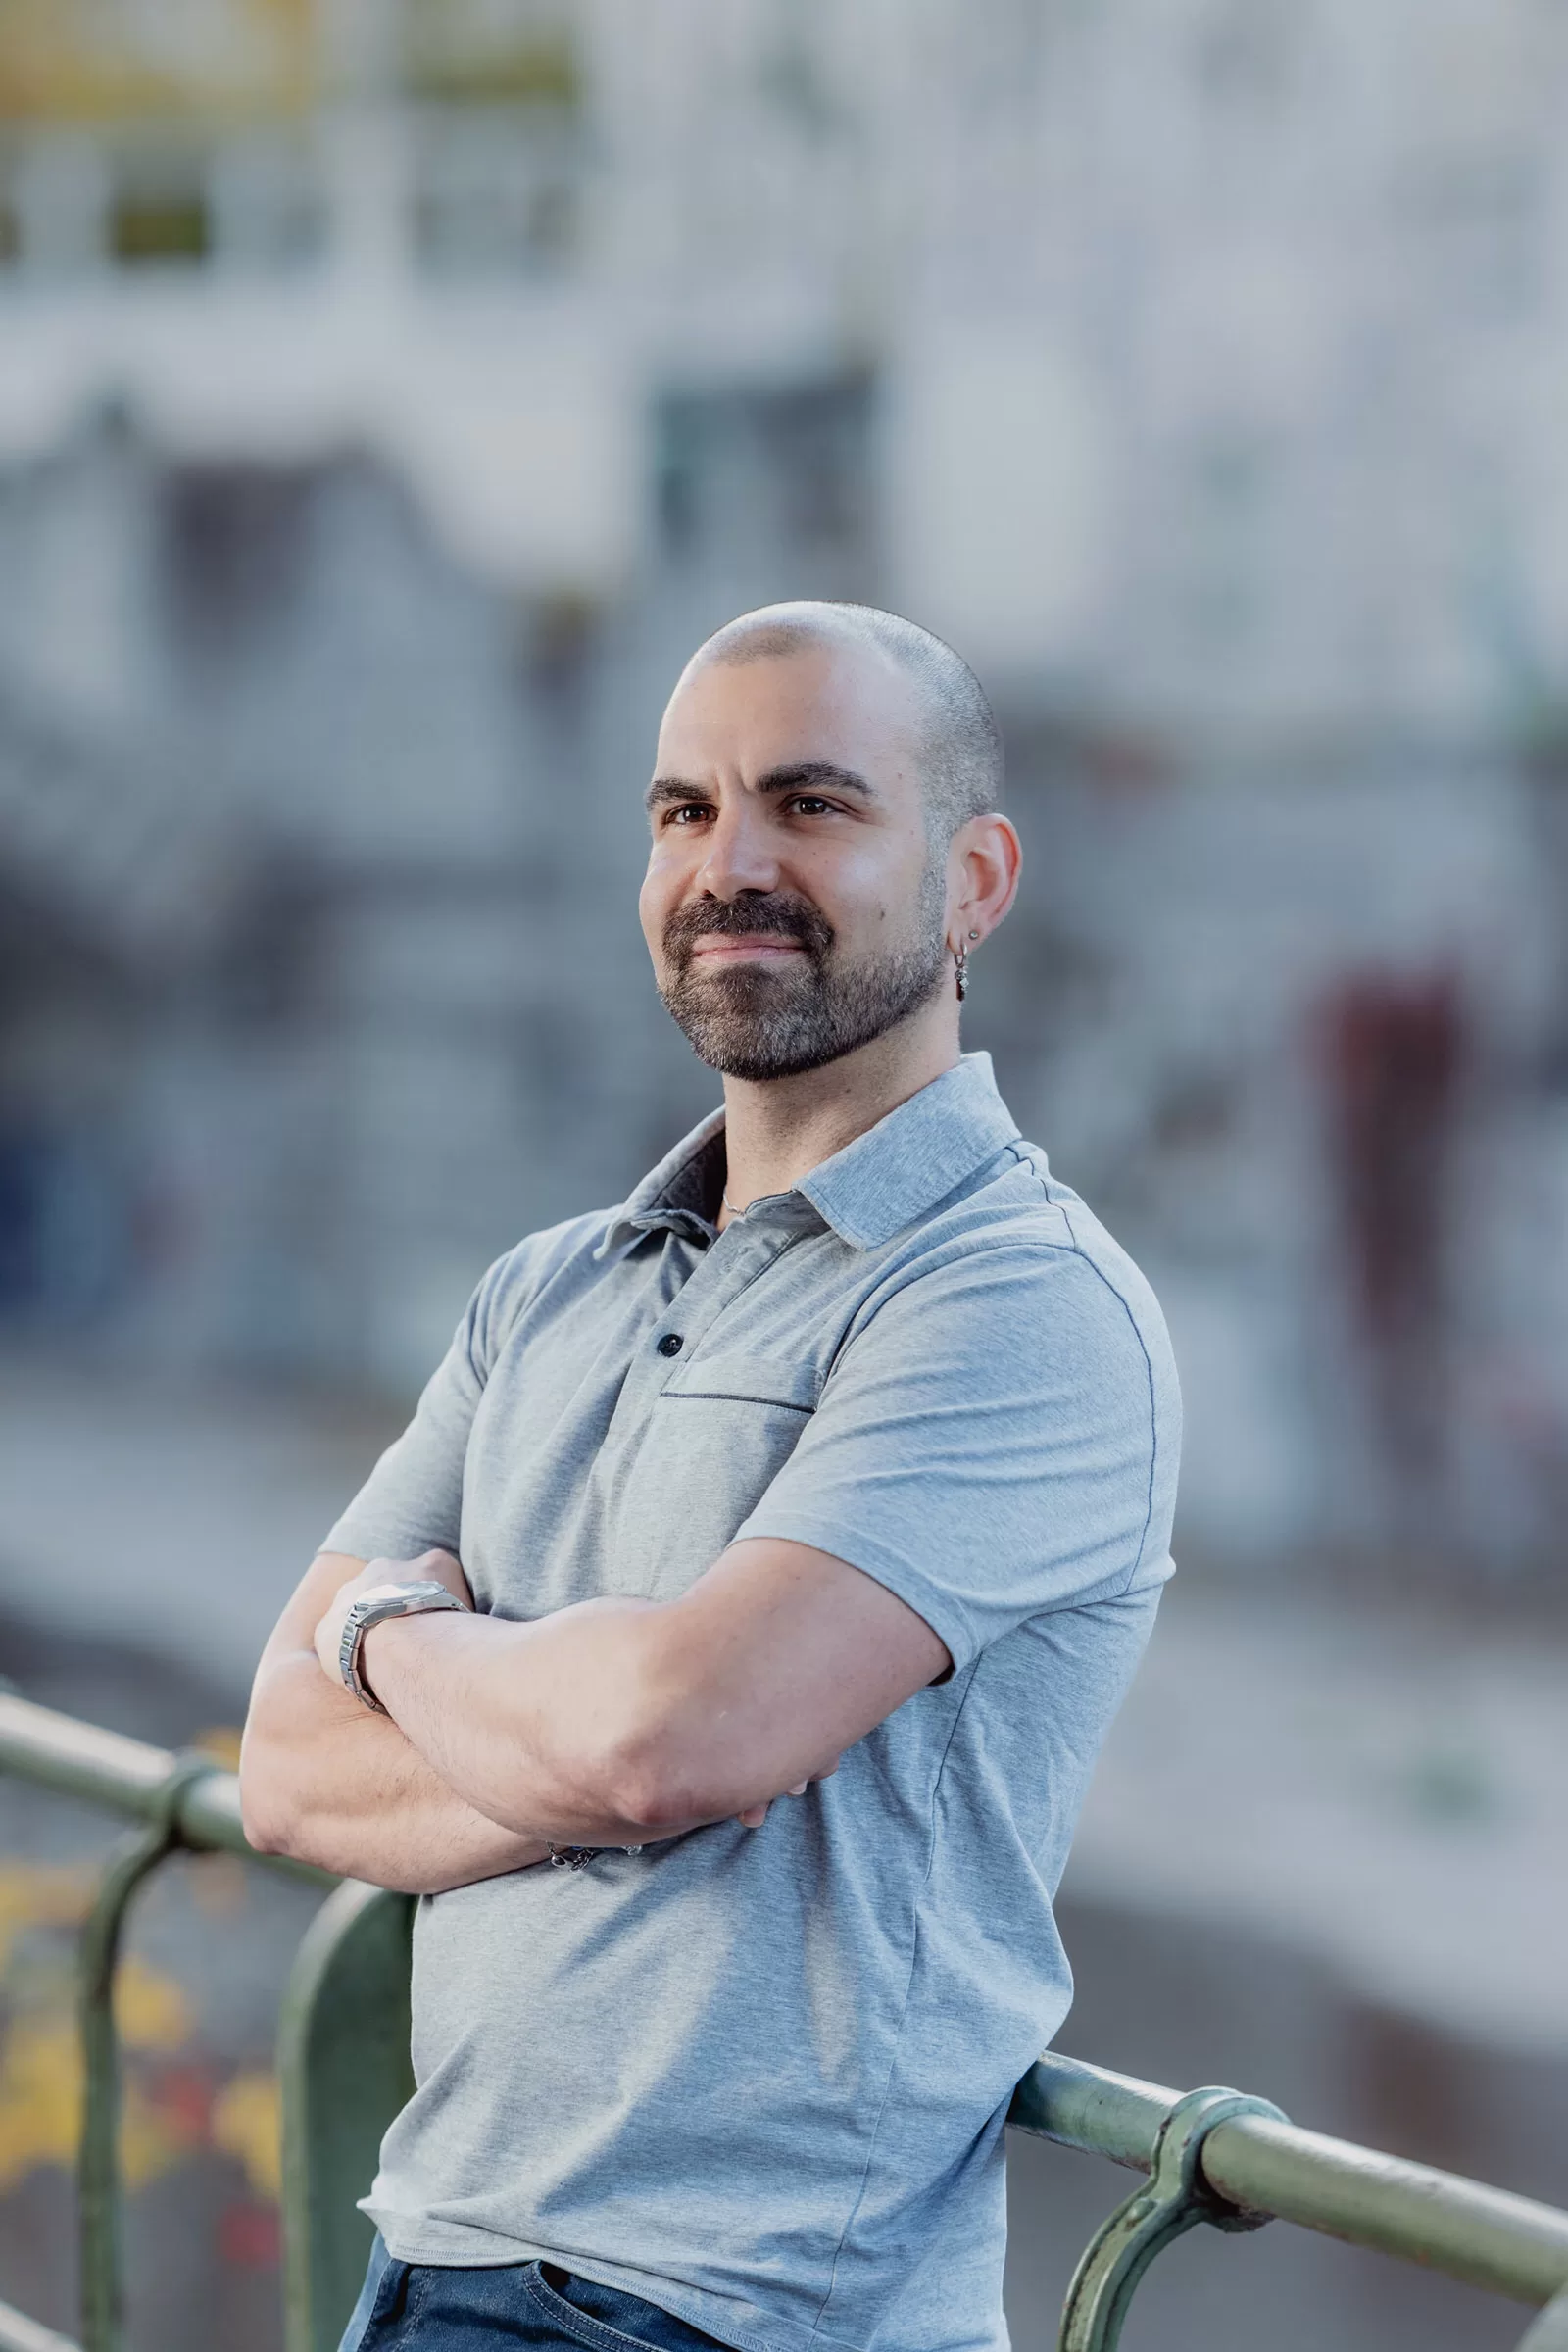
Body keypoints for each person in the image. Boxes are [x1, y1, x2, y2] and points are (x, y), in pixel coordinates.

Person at [239, 601, 1180, 2352]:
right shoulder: (548, 1289)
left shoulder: (1020, 1303)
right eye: (685, 810)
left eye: (813, 805)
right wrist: (605, 1756)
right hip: (425, 2256)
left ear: (975, 879)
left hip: (745, 2319)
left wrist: (387, 1640)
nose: (730, 863)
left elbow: (671, 1741)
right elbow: (281, 1771)